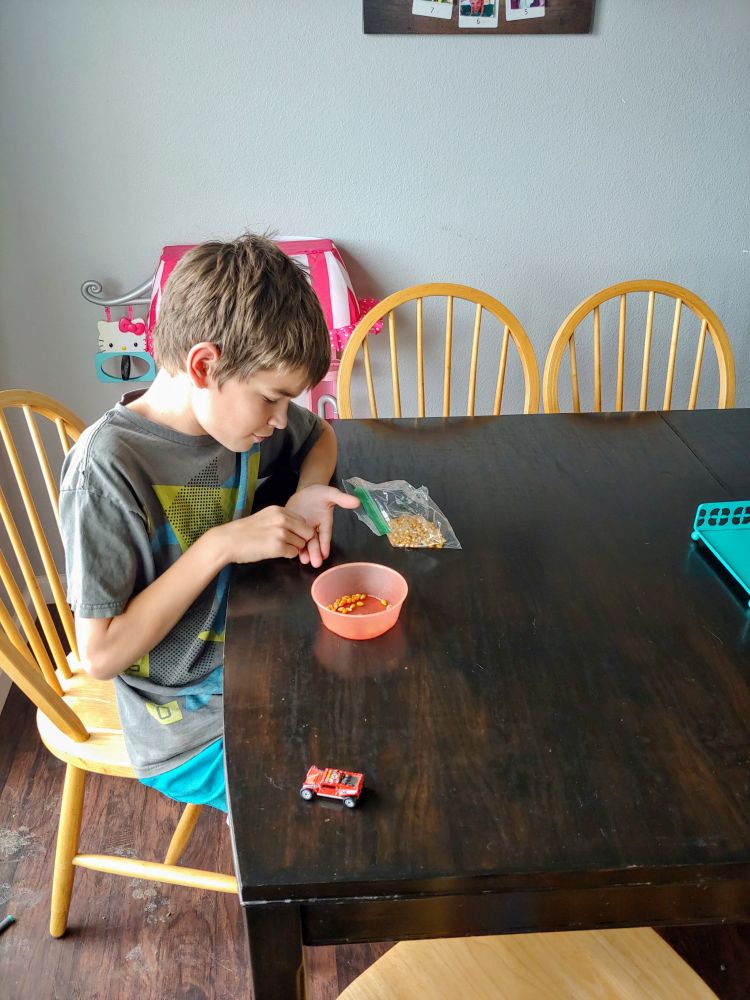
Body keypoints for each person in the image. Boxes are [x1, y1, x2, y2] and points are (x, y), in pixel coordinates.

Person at [59, 234, 359, 812]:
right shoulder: (107, 469)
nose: (280, 420)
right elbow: (99, 656)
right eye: (272, 399)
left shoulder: (231, 421)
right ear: (204, 365)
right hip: (186, 726)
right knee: (329, 808)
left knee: (381, 719)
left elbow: (321, 435)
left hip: (254, 652)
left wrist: (308, 493)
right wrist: (219, 546)